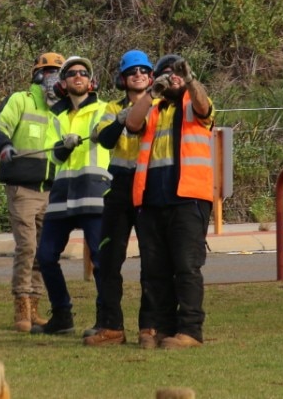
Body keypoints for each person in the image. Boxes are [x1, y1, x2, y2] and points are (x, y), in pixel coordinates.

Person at [123, 53, 215, 349]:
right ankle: (157, 328)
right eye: (165, 74)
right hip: (150, 202)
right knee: (153, 269)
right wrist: (152, 91)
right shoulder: (151, 108)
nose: (171, 79)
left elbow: (204, 106)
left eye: (175, 74)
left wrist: (189, 81)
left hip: (189, 199)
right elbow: (132, 123)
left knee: (186, 267)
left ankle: (190, 331)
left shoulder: (194, 103)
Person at [31, 56, 113, 335]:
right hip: (63, 194)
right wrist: (63, 147)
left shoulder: (105, 110)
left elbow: (111, 137)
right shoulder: (56, 118)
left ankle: (105, 320)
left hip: (94, 192)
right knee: (45, 255)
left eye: (83, 73)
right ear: (63, 82)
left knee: (101, 260)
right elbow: (52, 155)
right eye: (72, 73)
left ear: (91, 82)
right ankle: (62, 314)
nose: (78, 77)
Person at [0, 52, 64, 332]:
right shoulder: (20, 100)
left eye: (58, 70)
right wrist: (3, 145)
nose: (52, 75)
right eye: (48, 70)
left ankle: (34, 306)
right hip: (22, 188)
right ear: (37, 74)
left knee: (44, 252)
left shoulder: (64, 109)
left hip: (52, 190)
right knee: (27, 247)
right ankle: (21, 305)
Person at [84, 50, 154, 346]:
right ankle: (110, 326)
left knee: (153, 261)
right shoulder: (111, 108)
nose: (138, 74)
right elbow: (106, 139)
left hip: (151, 188)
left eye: (143, 70)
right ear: (122, 78)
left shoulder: (160, 106)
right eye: (132, 71)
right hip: (120, 188)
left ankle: (150, 327)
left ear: (151, 77)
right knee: (109, 259)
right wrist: (123, 119)